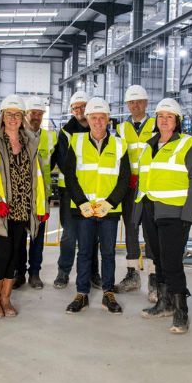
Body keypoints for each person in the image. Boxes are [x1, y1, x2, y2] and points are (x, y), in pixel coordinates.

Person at [0, 95, 48, 318]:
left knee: (15, 254)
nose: (13, 118)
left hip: (24, 208)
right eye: (9, 114)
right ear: (2, 116)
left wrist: (41, 207)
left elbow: (39, 177)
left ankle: (6, 299)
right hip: (2, 209)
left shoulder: (30, 142)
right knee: (3, 253)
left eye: (17, 114)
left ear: (23, 117)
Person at [134, 98, 192, 334]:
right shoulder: (149, 145)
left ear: (177, 121)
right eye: (160, 116)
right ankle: (164, 303)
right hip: (150, 209)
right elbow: (143, 181)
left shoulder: (187, 144)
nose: (164, 120)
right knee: (159, 260)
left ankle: (180, 309)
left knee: (172, 261)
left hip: (174, 212)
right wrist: (138, 213)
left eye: (169, 116)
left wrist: (188, 216)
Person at [61, 98, 131, 314]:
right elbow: (70, 175)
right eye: (94, 118)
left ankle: (108, 293)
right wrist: (81, 203)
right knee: (84, 252)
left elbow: (124, 178)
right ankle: (82, 293)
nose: (98, 122)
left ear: (108, 120)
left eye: (102, 118)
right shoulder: (77, 141)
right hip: (84, 210)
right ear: (88, 119)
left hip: (108, 210)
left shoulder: (120, 144)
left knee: (108, 253)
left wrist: (110, 203)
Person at [52, 91, 97, 289]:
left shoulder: (97, 127)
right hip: (69, 189)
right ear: (71, 110)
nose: (79, 110)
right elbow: (63, 162)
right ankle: (63, 272)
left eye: (82, 106)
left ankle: (93, 273)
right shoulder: (66, 132)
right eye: (75, 108)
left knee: (92, 234)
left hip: (92, 189)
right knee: (69, 234)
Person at [114, 84, 156, 297]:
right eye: (131, 102)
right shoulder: (121, 129)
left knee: (150, 231)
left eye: (138, 101)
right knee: (131, 229)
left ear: (146, 103)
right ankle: (132, 274)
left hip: (150, 188)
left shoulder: (158, 124)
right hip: (129, 189)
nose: (135, 105)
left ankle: (154, 278)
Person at [18, 96, 57, 289]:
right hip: (21, 194)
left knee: (37, 237)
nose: (36, 117)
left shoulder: (50, 137)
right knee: (18, 236)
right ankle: (19, 273)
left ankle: (35, 273)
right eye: (33, 113)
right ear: (26, 114)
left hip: (42, 196)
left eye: (40, 114)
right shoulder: (17, 135)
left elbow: (55, 162)